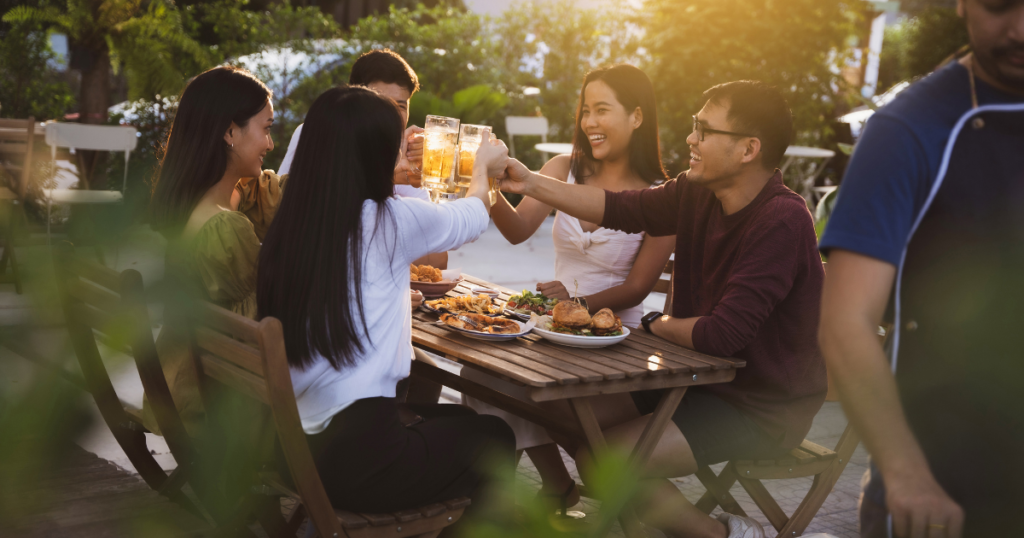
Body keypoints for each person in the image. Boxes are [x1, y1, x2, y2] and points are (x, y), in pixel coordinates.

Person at [498, 80, 826, 538]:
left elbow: (722, 336)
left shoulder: (782, 220)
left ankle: (725, 535)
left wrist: (654, 323)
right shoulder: (696, 192)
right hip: (693, 378)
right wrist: (528, 181)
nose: (691, 139)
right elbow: (618, 208)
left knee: (601, 462)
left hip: (757, 403)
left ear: (749, 149)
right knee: (568, 412)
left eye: (704, 129)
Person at [257, 85, 515, 532]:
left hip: (290, 449)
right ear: (373, 154)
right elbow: (472, 216)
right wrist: (483, 169)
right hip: (358, 464)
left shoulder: (293, 222)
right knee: (495, 438)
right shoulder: (387, 220)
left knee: (462, 420)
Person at [817, 0, 1024, 535]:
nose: (1020, 29)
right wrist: (907, 476)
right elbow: (845, 323)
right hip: (943, 482)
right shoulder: (909, 127)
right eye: (1000, 5)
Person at [471, 64, 675, 511]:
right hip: (550, 327)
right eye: (586, 110)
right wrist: (484, 183)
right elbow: (517, 230)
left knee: (517, 380)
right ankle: (556, 483)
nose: (590, 123)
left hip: (615, 339)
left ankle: (562, 489)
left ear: (637, 116)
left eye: (603, 110)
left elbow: (639, 288)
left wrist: (576, 302)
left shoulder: (659, 196)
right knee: (484, 370)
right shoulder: (562, 168)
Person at [147, 65, 281, 435]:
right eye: (266, 129)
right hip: (224, 415)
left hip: (187, 387)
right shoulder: (222, 227)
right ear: (229, 132)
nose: (270, 144)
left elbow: (283, 194)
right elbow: (264, 318)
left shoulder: (211, 197)